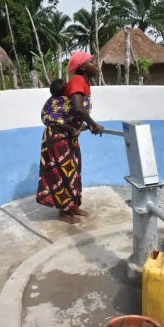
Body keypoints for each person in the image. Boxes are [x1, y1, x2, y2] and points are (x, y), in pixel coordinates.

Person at [36, 51, 104, 224]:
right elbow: (78, 108)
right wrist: (94, 124)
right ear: (82, 67)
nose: (95, 64)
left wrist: (88, 125)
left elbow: (75, 113)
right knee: (63, 174)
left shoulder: (84, 83)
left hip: (68, 137)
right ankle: (63, 213)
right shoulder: (77, 80)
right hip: (58, 136)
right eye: (92, 61)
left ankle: (72, 206)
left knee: (73, 172)